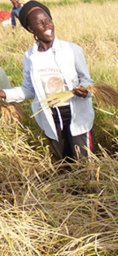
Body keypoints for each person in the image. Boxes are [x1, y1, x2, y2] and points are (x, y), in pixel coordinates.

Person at [0, 1, 94, 161]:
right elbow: (29, 89)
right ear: (31, 28)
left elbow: (86, 80)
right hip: (51, 117)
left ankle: (91, 186)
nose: (47, 25)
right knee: (66, 163)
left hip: (76, 113)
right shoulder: (30, 57)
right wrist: (4, 94)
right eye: (40, 23)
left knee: (85, 163)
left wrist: (84, 90)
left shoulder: (71, 50)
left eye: (48, 20)